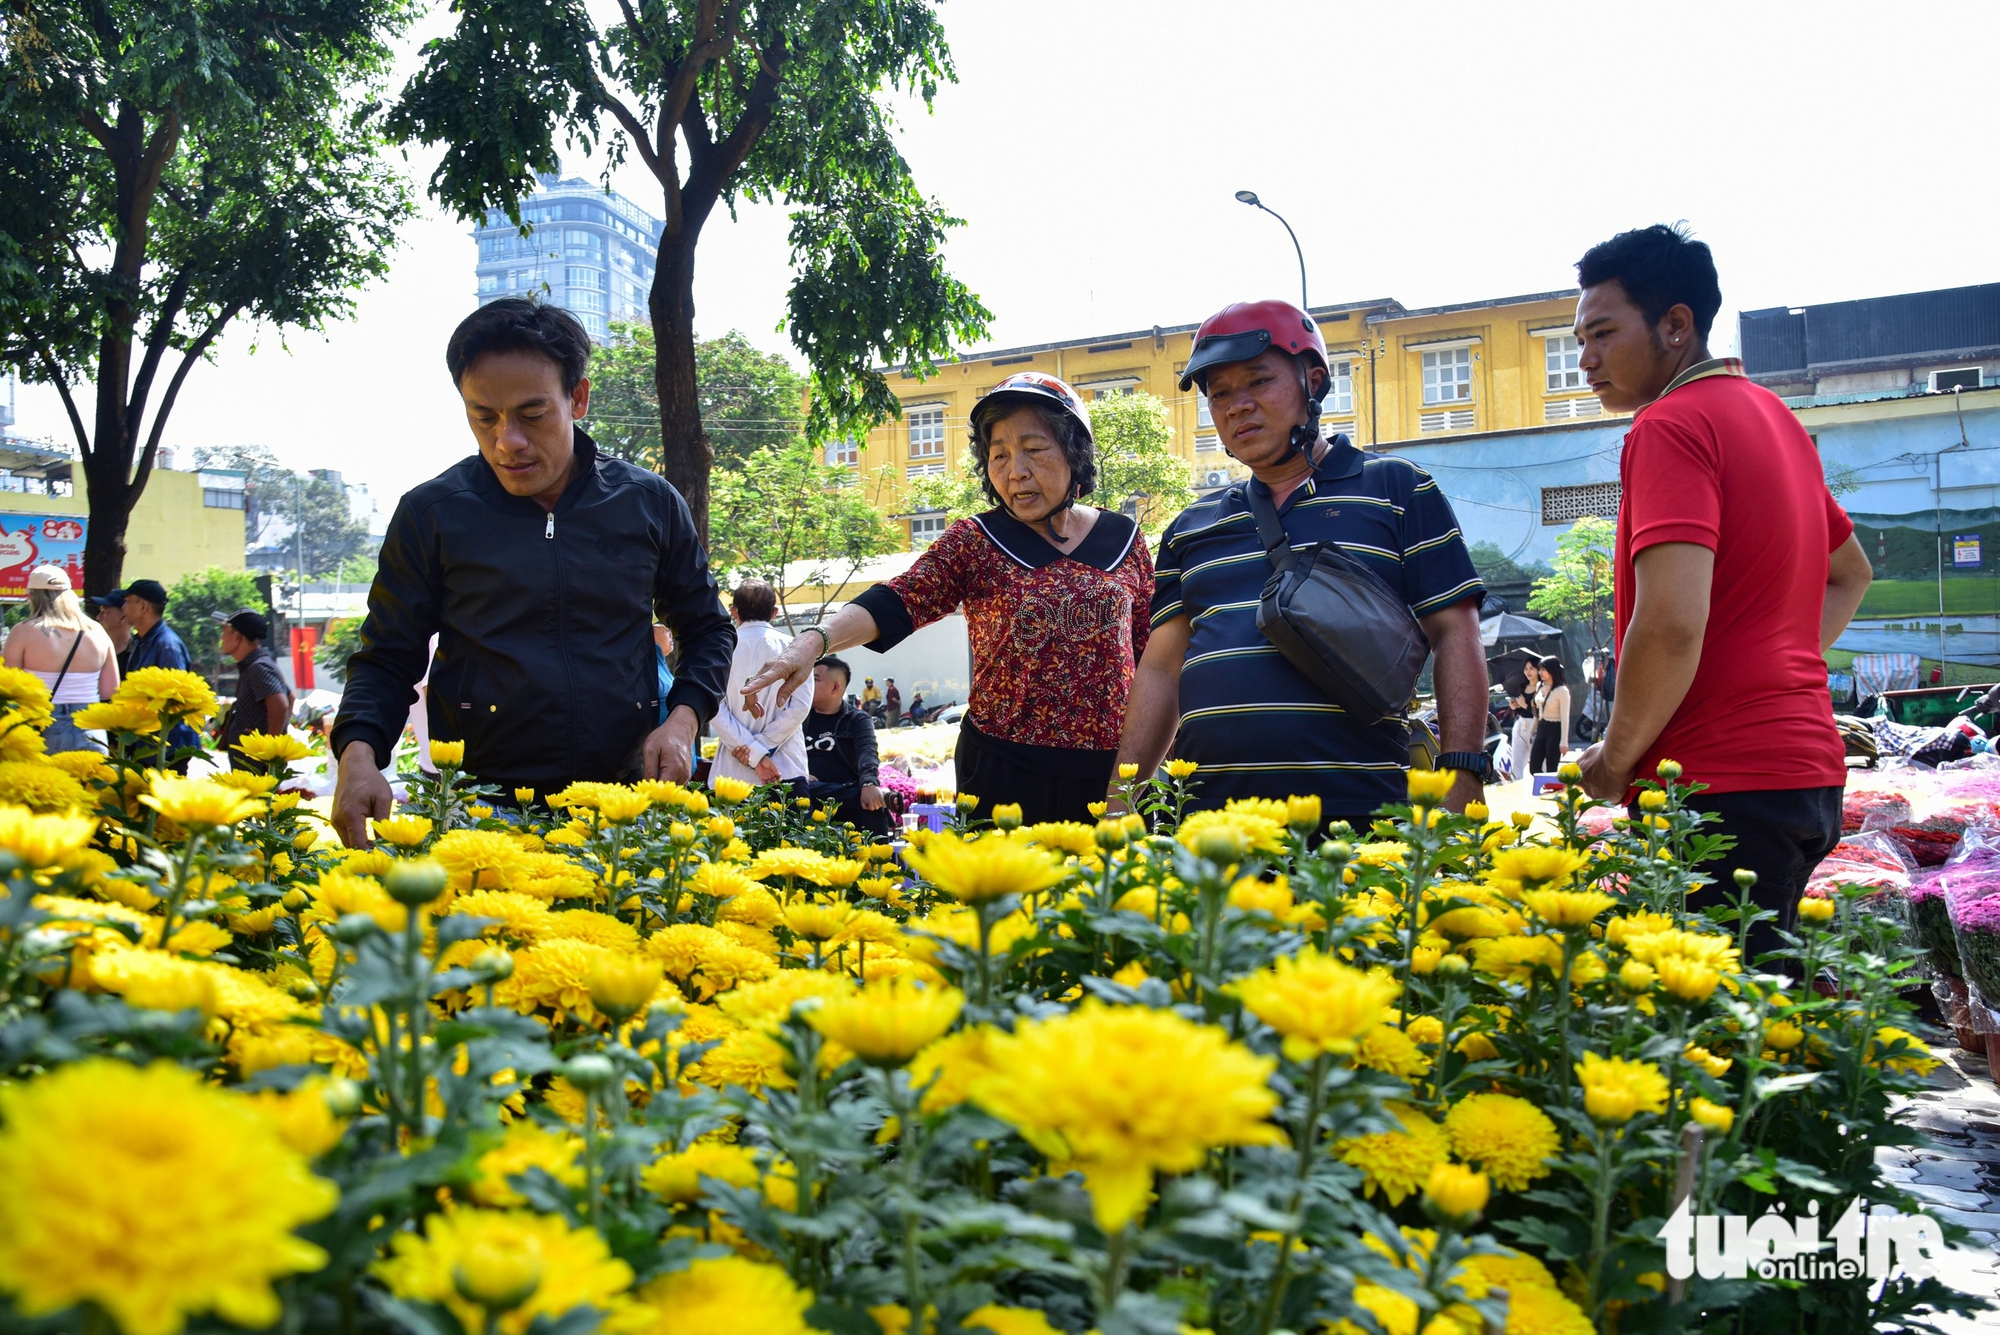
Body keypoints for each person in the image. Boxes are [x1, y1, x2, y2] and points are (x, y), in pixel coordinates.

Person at [1570, 224, 1873, 964]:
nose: (1586, 360)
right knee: (1766, 1023)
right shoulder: (1774, 417)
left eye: (1603, 333)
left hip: (1719, 788)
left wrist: (1613, 760)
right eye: (1580, 339)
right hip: (1806, 773)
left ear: (1677, 325)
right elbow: (1850, 572)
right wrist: (1767, 661)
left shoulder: (1669, 425)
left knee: (1711, 1048)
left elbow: (1670, 622)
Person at [330, 298, 735, 846]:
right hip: (480, 806)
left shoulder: (648, 503)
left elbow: (708, 628)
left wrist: (683, 719)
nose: (507, 440)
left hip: (622, 802)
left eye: (531, 414)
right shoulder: (432, 514)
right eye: (483, 416)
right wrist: (357, 756)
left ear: (578, 399)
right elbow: (385, 657)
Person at [1112, 300, 1491, 820]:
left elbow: (1456, 633)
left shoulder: (1399, 489)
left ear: (1313, 383)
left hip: (1359, 821)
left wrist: (1464, 771)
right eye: (1218, 394)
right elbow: (1159, 671)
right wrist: (1120, 802)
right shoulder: (1190, 528)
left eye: (1258, 382)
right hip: (1209, 827)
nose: (1235, 405)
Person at [739, 372, 1154, 825]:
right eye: (999, 455)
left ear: (1075, 452)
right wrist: (815, 641)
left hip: (1110, 775)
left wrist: (1132, 785)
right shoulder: (977, 540)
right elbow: (897, 599)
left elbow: (1152, 664)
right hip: (1005, 771)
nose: (1015, 470)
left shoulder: (1124, 539)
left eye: (1034, 449)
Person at [4, 566, 119, 753]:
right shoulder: (97, 631)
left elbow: (7, 687)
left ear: (33, 596)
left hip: (43, 725)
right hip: (93, 727)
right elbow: (110, 690)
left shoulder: (24, 631)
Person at [712, 580, 810, 792]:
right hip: (786, 771)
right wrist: (761, 749)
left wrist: (754, 753)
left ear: (734, 611)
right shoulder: (796, 648)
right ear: (774, 613)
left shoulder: (719, 649)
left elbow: (714, 708)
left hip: (732, 777)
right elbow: (799, 707)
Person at [113, 578, 202, 760]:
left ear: (143, 607)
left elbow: (174, 699)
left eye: (128, 601)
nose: (123, 607)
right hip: (147, 743)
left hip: (168, 749)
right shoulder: (141, 641)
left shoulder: (167, 646)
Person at [803, 655, 888, 835]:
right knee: (800, 788)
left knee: (870, 801)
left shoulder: (857, 719)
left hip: (846, 792)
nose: (806, 683)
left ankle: (880, 862)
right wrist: (800, 772)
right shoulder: (798, 717)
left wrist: (869, 783)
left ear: (835, 687)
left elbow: (868, 752)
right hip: (809, 792)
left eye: (815, 679)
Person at [212, 609, 291, 768]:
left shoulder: (258, 667)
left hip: (257, 767)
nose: (221, 637)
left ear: (237, 637)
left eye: (225, 632)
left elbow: (281, 705)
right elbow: (291, 696)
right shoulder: (256, 664)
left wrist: (269, 749)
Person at [1528, 656, 1570, 774]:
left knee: (1551, 768)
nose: (1540, 672)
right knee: (1534, 767)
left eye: (1543, 670)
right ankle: (1541, 786)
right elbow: (1538, 713)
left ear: (1552, 670)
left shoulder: (1562, 691)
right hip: (1542, 727)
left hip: (1555, 729)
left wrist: (1564, 742)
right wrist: (1531, 732)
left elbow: (1565, 717)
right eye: (1540, 669)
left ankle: (1551, 788)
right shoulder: (1540, 686)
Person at [1506, 663, 1538, 782]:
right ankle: (1516, 784)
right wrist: (1515, 706)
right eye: (1525, 668)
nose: (1528, 671)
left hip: (1535, 725)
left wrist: (1526, 706)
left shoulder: (1542, 688)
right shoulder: (1522, 686)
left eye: (1531, 668)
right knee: (1516, 760)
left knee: (1537, 761)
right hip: (1520, 723)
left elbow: (1540, 711)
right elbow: (1520, 709)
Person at [88, 593, 133, 675]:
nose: (98, 617)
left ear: (123, 617)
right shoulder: (93, 647)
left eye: (105, 613)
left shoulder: (138, 652)